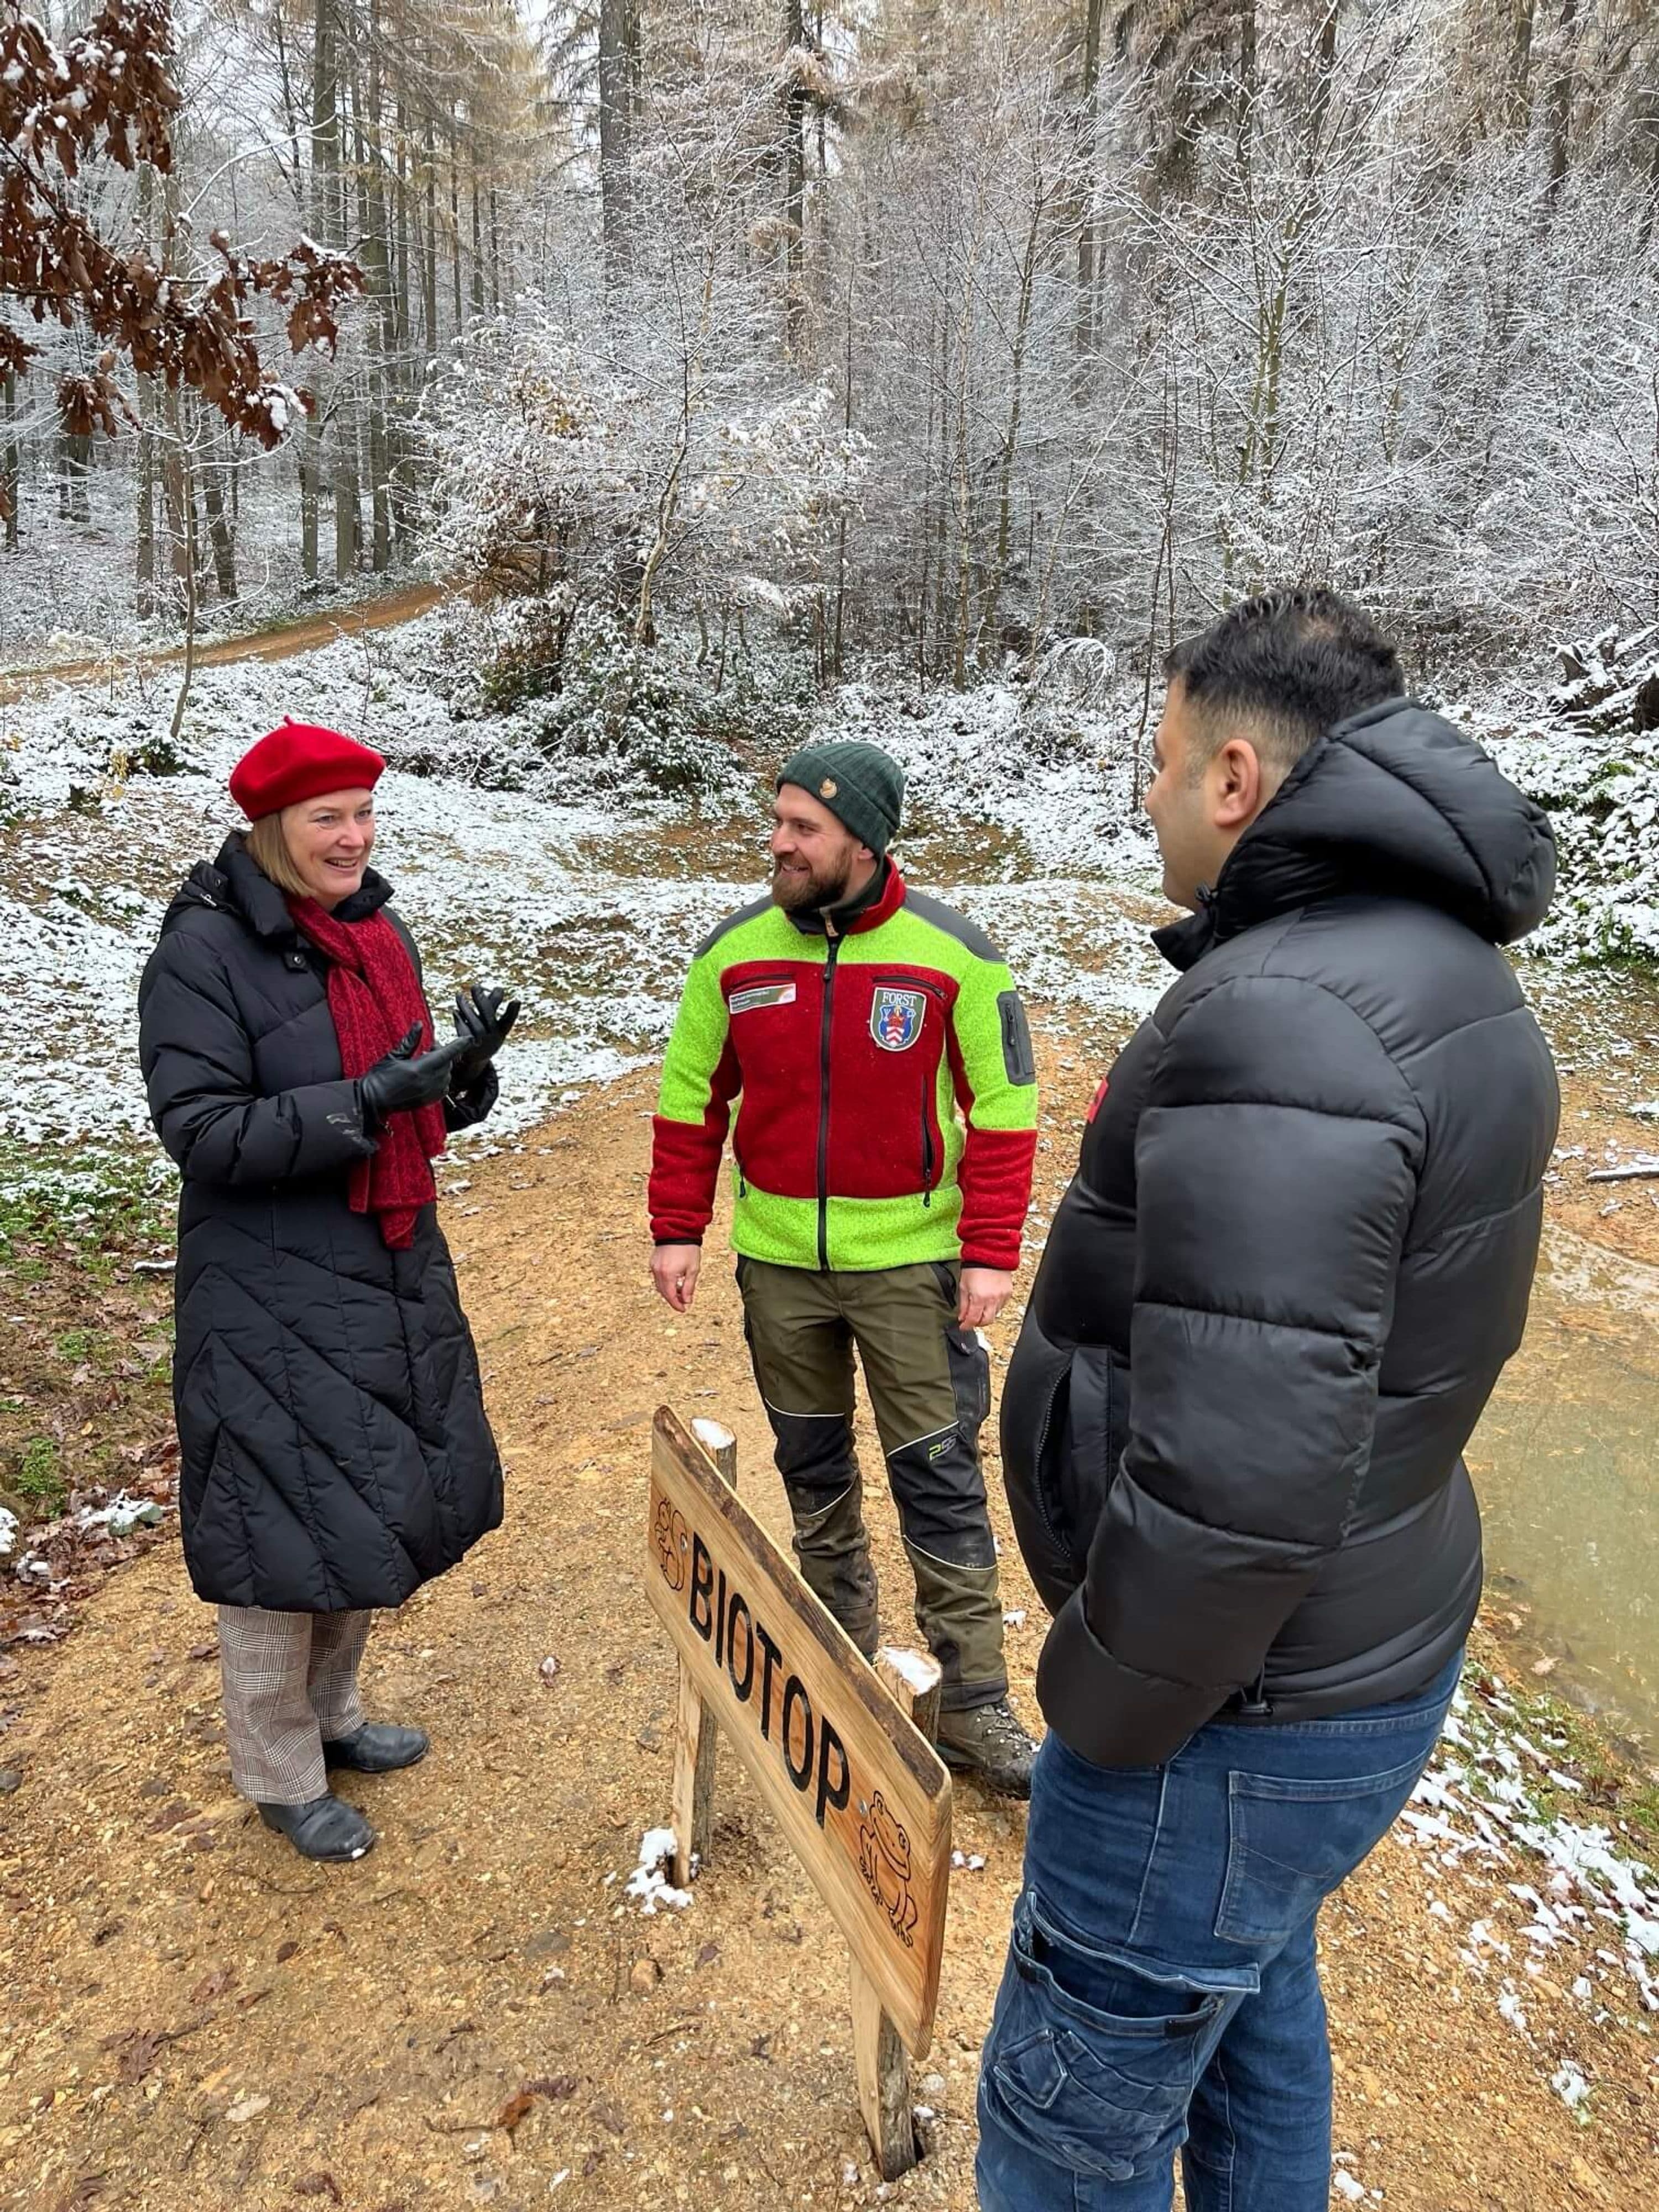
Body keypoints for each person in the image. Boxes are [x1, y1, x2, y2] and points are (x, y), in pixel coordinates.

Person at [978, 590, 1560, 2208]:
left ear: (1236, 777)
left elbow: (1241, 1482)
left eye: (1159, 763)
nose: (1147, 797)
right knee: (1247, 2014)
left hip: (1228, 1711)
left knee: (1061, 2129)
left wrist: (1102, 1709)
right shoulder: (1441, 968)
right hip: (1350, 1654)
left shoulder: (1292, 1013)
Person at [138, 719, 519, 1864]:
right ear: (272, 829)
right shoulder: (203, 952)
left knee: (361, 1496)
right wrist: (364, 1098)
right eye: (327, 820)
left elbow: (394, 1095)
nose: (353, 838)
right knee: (272, 1526)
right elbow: (197, 1130)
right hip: (265, 1284)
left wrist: (459, 1085)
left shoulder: (372, 931)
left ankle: (337, 1717)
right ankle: (278, 1769)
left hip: (379, 1257)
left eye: (362, 814)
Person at [648, 740, 1041, 1793]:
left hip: (912, 1268)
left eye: (801, 828)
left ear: (862, 841)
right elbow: (692, 1095)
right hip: (779, 1267)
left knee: (938, 1477)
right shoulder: (731, 955)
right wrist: (677, 1225)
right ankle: (837, 1662)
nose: (776, 843)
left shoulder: (955, 956)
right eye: (776, 821)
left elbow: (1002, 1110)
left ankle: (972, 1705)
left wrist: (990, 1253)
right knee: (811, 1467)